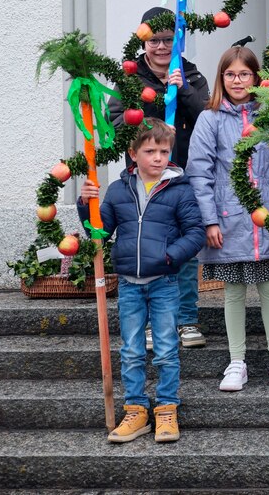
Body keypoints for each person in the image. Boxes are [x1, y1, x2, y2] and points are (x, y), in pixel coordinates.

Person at [78, 120, 205, 444]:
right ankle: (136, 410)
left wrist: (168, 256)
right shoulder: (119, 190)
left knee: (165, 349)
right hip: (130, 285)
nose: (159, 157)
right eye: (150, 151)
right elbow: (101, 229)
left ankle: (166, 409)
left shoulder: (179, 189)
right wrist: (85, 205)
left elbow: (195, 233)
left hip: (164, 283)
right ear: (133, 154)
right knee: (132, 349)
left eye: (164, 151)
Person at [186, 44, 269, 392]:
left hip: (266, 217)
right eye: (230, 74)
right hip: (227, 217)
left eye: (244, 74)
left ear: (255, 77)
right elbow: (199, 173)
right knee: (233, 291)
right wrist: (209, 220)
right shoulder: (211, 118)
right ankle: (237, 361)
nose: (237, 80)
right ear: (221, 78)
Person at [109, 7, 211, 349]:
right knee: (149, 248)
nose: (162, 46)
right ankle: (153, 323)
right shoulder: (129, 77)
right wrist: (151, 108)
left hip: (181, 178)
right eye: (155, 40)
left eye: (169, 39)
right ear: (144, 41)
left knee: (184, 249)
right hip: (143, 179)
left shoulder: (192, 75)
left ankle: (186, 320)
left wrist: (180, 90)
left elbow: (206, 115)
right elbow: (116, 123)